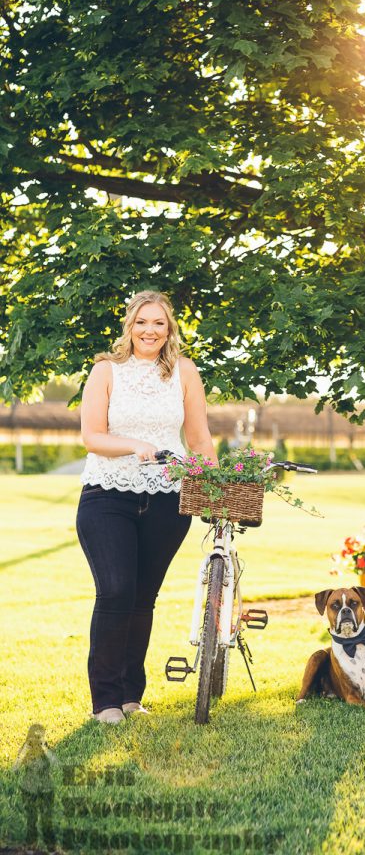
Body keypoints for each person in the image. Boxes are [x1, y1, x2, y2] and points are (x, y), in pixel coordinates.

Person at [77, 290, 217, 723]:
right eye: (141, 322)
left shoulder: (185, 373)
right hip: (107, 494)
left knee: (142, 598)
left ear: (169, 328)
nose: (149, 331)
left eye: (158, 323)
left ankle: (130, 696)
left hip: (166, 500)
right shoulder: (106, 371)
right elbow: (92, 436)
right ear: (129, 326)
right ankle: (105, 701)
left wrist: (213, 482)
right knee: (116, 590)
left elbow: (198, 439)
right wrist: (135, 446)